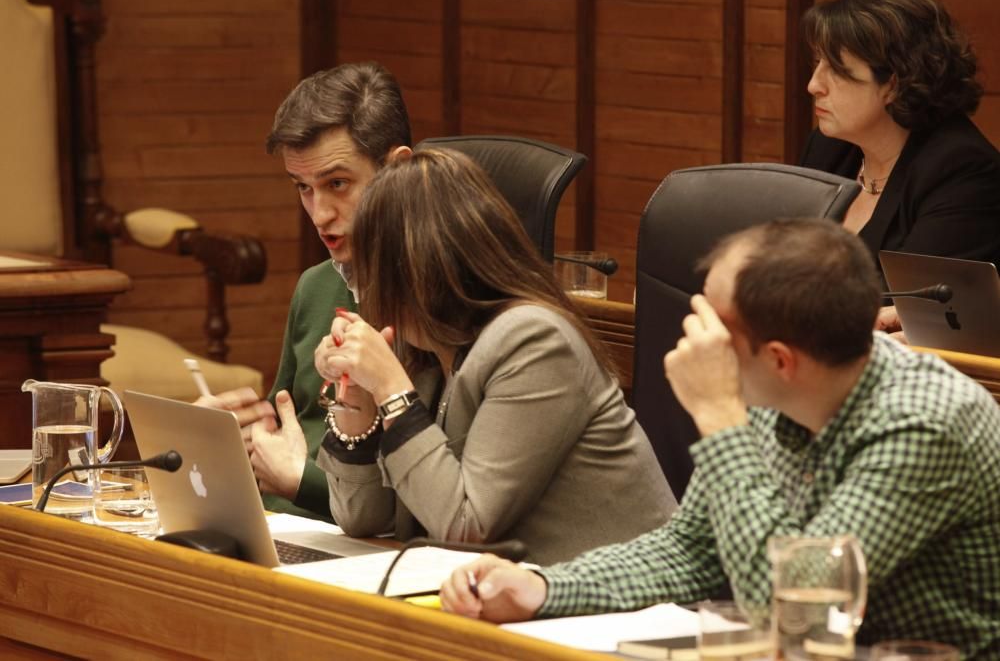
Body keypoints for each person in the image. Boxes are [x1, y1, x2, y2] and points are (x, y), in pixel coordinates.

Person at [441, 219, 1000, 659]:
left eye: (713, 323)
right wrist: (542, 589)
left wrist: (719, 415)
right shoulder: (778, 392)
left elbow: (794, 610)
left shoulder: (923, 424)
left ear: (780, 360)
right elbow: (692, 549)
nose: (695, 336)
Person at [254, 148, 676, 564]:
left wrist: (390, 389)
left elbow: (464, 525)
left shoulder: (533, 340)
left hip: (626, 612)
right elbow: (362, 518)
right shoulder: (422, 348)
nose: (363, 289)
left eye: (373, 269)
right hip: (504, 599)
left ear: (418, 267)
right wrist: (357, 408)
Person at [195, 62, 413, 519]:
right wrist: (229, 443)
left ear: (398, 169)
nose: (319, 215)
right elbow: (283, 430)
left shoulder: (436, 301)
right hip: (280, 527)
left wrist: (299, 482)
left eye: (337, 184)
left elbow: (421, 504)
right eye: (303, 188)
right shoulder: (315, 286)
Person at [797, 0, 1000, 336]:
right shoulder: (830, 148)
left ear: (893, 82)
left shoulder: (963, 173)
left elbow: (914, 312)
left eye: (836, 69)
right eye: (818, 63)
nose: (814, 85)